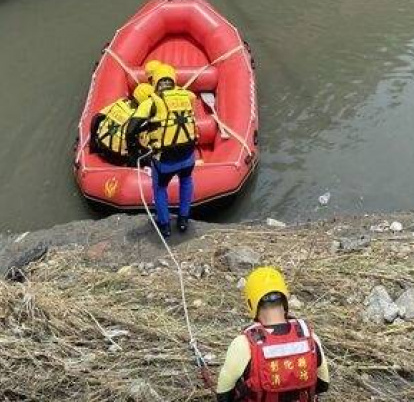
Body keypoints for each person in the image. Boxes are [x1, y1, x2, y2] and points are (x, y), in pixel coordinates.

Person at [216, 267, 330, 402]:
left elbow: (223, 395)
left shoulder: (243, 344)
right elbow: (323, 385)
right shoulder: (309, 337)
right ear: (285, 301)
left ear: (251, 303)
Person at [126, 61, 198, 237]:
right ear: (174, 79)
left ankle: (164, 225)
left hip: (165, 160)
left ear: (154, 82)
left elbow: (131, 130)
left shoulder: (151, 102)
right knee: (186, 181)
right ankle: (183, 220)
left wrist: (134, 152)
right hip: (188, 155)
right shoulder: (187, 96)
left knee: (159, 189)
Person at [90, 83, 155, 166]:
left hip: (100, 146)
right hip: (117, 157)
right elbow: (143, 144)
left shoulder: (121, 102)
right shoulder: (139, 119)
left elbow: (96, 118)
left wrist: (93, 142)